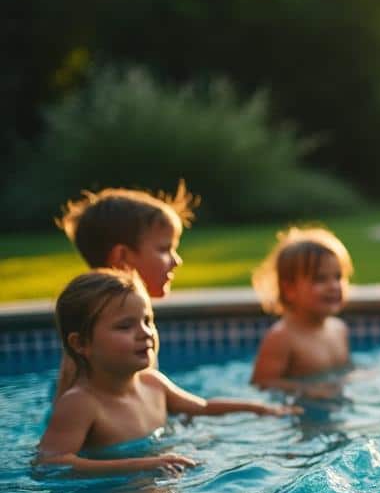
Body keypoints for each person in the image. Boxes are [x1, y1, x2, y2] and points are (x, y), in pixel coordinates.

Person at [38, 269, 296, 476]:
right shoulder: (81, 403)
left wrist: (260, 409)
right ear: (81, 344)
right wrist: (140, 465)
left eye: (148, 321)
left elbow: (204, 407)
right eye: (125, 326)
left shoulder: (153, 383)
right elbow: (52, 463)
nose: (145, 332)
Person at [52, 182, 195, 397]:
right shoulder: (93, 342)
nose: (177, 261)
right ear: (122, 258)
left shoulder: (126, 327)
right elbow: (69, 411)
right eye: (164, 249)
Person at [250, 227, 353, 395]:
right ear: (289, 289)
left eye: (338, 277)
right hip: (299, 415)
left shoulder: (339, 329)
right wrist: (305, 389)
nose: (333, 286)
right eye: (320, 279)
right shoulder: (282, 337)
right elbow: (262, 383)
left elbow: (345, 369)